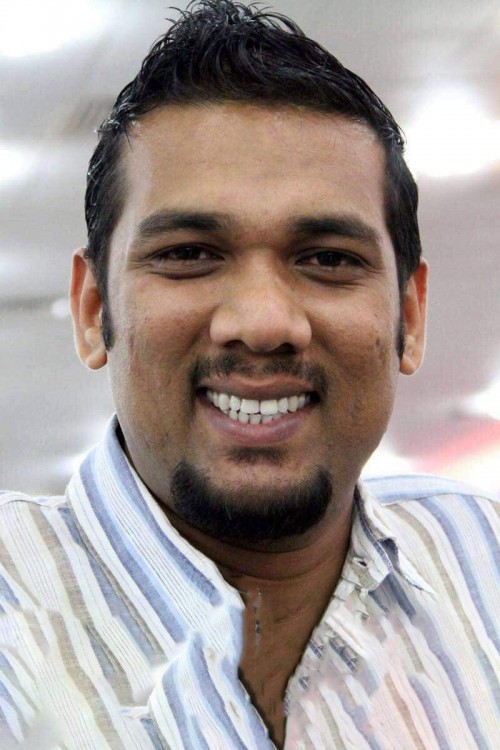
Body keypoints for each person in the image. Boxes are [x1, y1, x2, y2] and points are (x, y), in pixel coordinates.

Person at [1, 1, 498, 747]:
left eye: (327, 259)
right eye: (189, 254)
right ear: (93, 309)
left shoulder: (483, 568)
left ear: (411, 315)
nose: (264, 322)